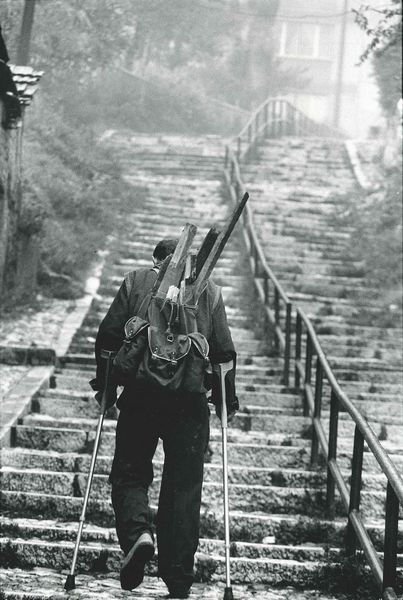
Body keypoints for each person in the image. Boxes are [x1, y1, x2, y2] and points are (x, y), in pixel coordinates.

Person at [93, 238, 238, 599]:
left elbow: (109, 338)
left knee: (129, 472)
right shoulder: (209, 292)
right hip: (189, 405)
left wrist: (106, 390)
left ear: (157, 260)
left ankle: (138, 534)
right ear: (189, 262)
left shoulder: (136, 281)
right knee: (183, 488)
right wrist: (226, 402)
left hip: (141, 396)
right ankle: (178, 579)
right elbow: (223, 354)